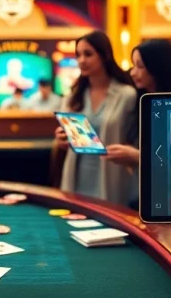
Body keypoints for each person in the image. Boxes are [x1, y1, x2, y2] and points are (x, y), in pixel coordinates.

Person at [56, 31, 136, 205]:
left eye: (88, 54)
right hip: (77, 176)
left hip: (112, 176)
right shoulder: (72, 96)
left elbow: (136, 140)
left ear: (104, 56)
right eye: (78, 55)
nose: (81, 60)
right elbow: (66, 137)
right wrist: (62, 138)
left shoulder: (126, 95)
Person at [103, 39, 171, 169]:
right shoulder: (139, 101)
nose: (132, 72)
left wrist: (136, 156)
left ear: (157, 68)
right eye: (133, 65)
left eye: (140, 66)